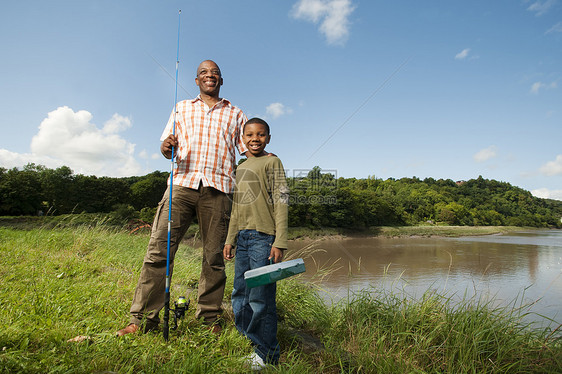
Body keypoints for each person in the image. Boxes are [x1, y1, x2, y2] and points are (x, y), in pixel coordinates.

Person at [117, 60, 248, 336]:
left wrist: (267, 157)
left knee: (213, 258)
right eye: (203, 73)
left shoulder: (235, 113)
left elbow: (248, 147)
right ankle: (142, 320)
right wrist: (166, 147)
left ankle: (209, 318)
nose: (209, 76)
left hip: (219, 189)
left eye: (214, 73)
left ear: (221, 81)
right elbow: (167, 146)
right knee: (158, 252)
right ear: (196, 80)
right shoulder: (182, 108)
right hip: (181, 186)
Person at [223, 118, 289, 369]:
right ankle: (247, 341)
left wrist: (280, 241)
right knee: (240, 293)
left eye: (261, 135)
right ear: (243, 139)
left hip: (264, 238)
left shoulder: (273, 162)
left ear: (268, 138)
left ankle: (267, 354)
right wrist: (230, 239)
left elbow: (282, 201)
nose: (255, 139)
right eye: (250, 134)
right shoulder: (241, 167)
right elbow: (237, 208)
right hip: (243, 238)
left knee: (261, 298)